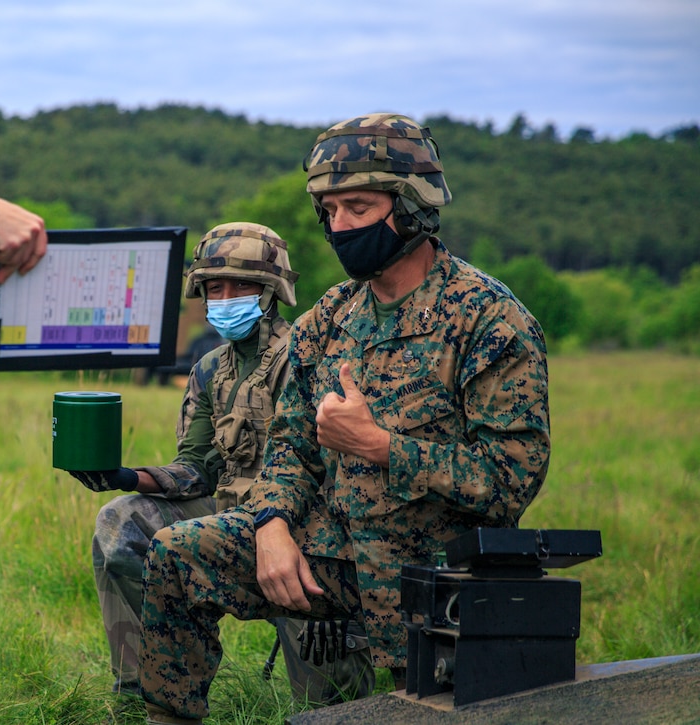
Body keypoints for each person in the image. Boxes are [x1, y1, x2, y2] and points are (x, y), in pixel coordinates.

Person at [138, 112, 551, 723]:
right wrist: (272, 524)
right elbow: (290, 451)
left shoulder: (487, 318)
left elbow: (511, 478)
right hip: (336, 555)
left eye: (357, 207)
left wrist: (382, 446)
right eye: (328, 210)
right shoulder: (329, 317)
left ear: (411, 204)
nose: (339, 225)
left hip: (438, 567)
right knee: (176, 555)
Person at [69, 221, 374, 718]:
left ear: (272, 291)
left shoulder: (312, 355)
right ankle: (139, 693)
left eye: (243, 286)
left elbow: (338, 472)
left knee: (330, 709)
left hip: (305, 524)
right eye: (215, 287)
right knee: (121, 521)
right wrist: (127, 477)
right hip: (229, 511)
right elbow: (196, 469)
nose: (226, 297)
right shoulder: (210, 368)